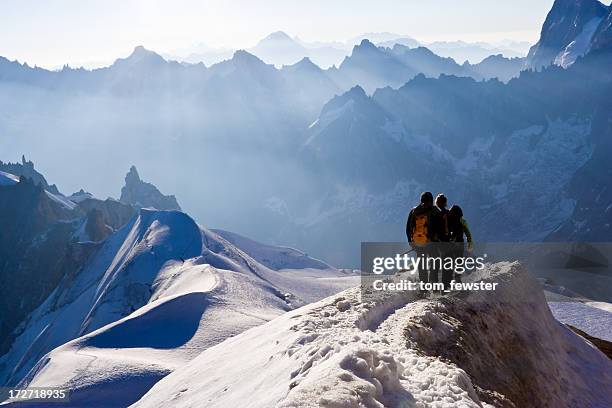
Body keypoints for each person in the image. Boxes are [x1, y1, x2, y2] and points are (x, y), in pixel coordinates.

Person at [406, 192, 442, 284]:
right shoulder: (435, 210)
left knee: (422, 265)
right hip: (432, 243)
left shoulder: (414, 211)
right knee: (434, 263)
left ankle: (424, 287)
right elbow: (440, 227)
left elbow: (408, 227)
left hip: (419, 242)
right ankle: (434, 285)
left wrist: (411, 241)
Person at [447, 204, 473, 284]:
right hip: (460, 243)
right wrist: (470, 244)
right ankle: (457, 279)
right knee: (459, 261)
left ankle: (448, 280)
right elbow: (468, 233)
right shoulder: (462, 221)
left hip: (449, 244)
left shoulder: (447, 219)